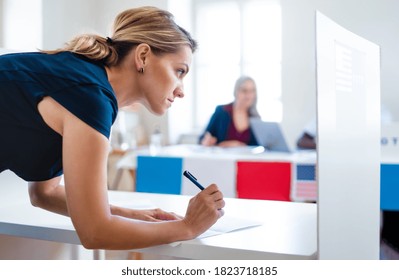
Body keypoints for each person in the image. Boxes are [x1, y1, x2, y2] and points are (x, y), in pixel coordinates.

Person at [0, 6, 225, 250]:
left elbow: (45, 193)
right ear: (143, 57)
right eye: (179, 71)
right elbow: (95, 232)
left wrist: (132, 215)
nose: (181, 90)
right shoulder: (89, 96)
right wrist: (188, 227)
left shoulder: (84, 79)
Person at [199, 76, 260, 147]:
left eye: (252, 91)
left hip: (245, 158)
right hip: (222, 157)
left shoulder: (256, 118)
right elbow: (203, 138)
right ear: (236, 91)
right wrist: (207, 141)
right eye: (244, 91)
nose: (248, 96)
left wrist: (239, 145)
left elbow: (259, 145)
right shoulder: (221, 111)